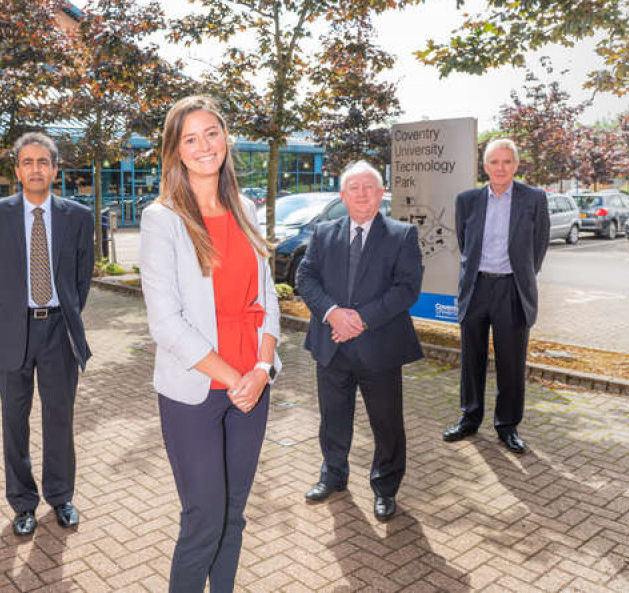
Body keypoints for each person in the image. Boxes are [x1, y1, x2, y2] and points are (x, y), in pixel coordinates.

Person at [140, 95, 281, 592]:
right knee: (204, 518)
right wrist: (234, 377)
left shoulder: (245, 208)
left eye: (212, 133)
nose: (204, 146)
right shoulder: (162, 218)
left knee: (234, 515)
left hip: (252, 389)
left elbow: (268, 300)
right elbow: (166, 322)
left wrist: (262, 370)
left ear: (226, 138)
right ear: (176, 151)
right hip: (196, 392)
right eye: (190, 138)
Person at [0, 132, 94, 536]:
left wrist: (64, 312)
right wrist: (12, 312)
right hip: (12, 330)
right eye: (27, 162)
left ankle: (61, 497)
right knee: (15, 420)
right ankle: (23, 503)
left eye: (43, 161)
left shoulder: (78, 216)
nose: (35, 169)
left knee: (59, 417)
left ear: (55, 169)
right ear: (17, 170)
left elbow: (82, 278)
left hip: (59, 330)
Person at [297, 160, 423, 521]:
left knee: (386, 423)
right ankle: (333, 475)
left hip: (379, 347)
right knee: (332, 417)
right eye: (355, 188)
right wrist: (333, 313)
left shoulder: (402, 235)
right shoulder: (323, 233)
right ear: (343, 195)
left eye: (370, 187)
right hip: (331, 343)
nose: (362, 194)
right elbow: (306, 278)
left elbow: (406, 289)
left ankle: (385, 488)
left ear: (382, 193)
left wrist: (362, 320)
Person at [442, 138, 550, 454]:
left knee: (511, 363)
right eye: (494, 162)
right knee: (471, 358)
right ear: (485, 166)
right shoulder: (467, 200)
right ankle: (469, 418)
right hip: (476, 288)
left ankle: (507, 426)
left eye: (506, 162)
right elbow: (466, 244)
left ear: (515, 165)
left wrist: (520, 277)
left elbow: (539, 247)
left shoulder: (534, 199)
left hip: (512, 290)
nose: (500, 168)